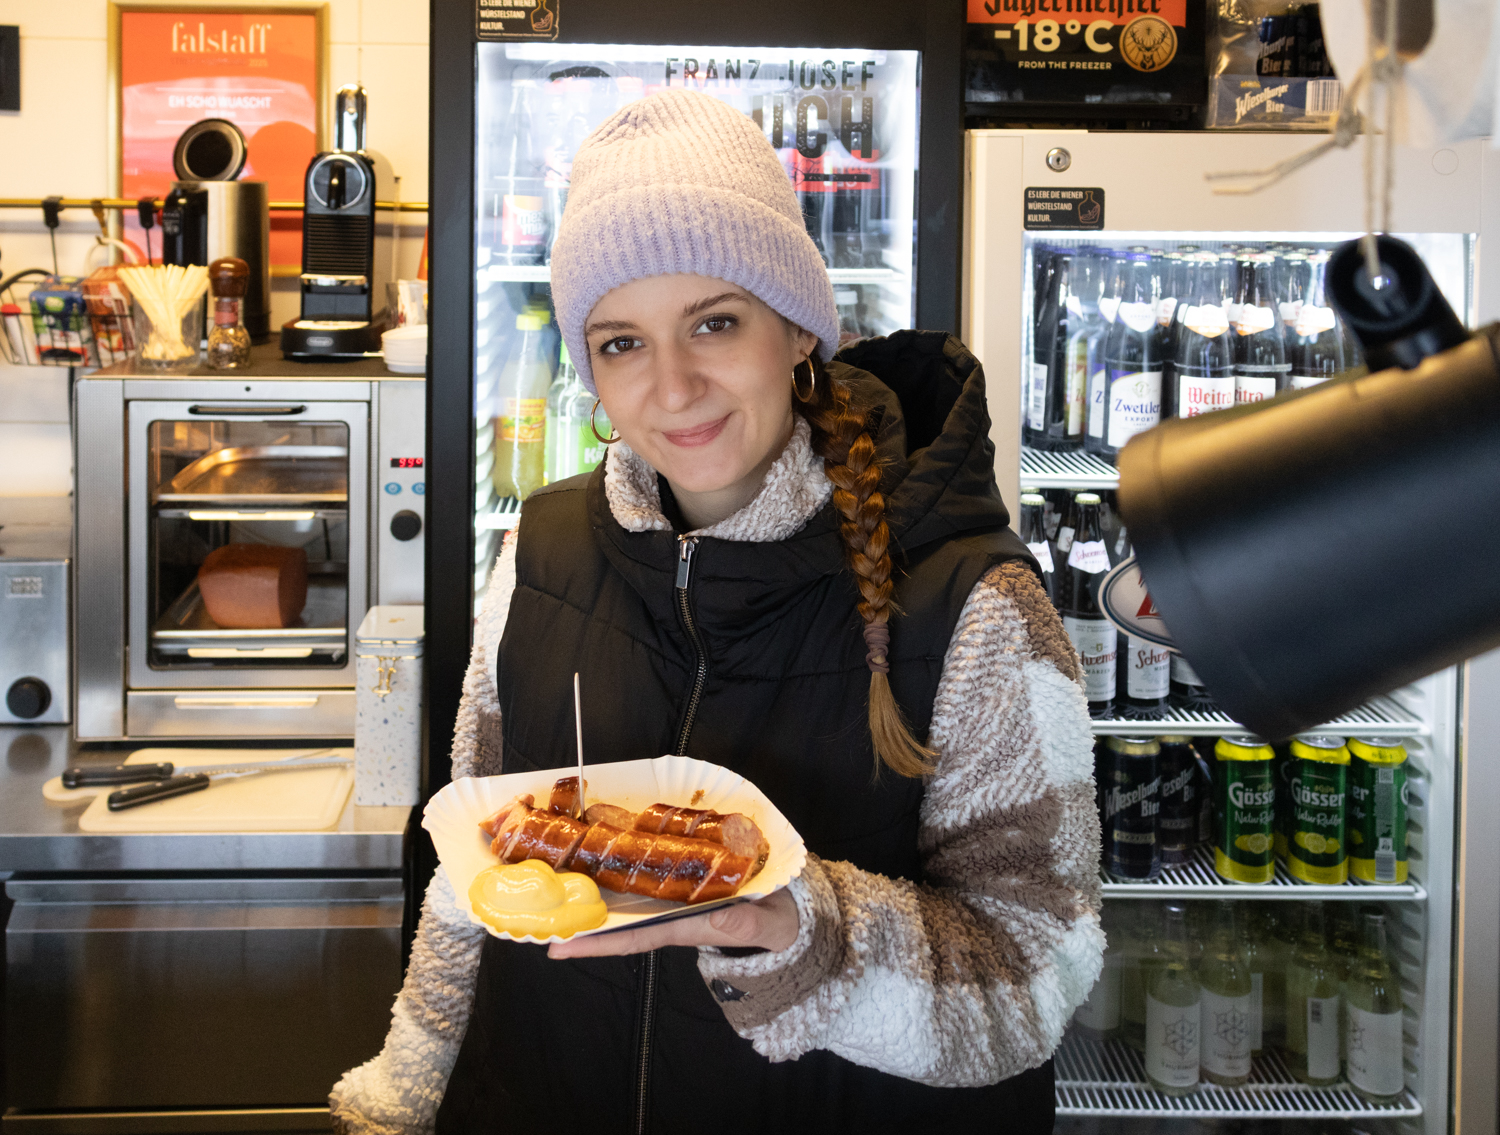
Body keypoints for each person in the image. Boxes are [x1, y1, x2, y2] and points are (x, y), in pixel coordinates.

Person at [331, 89, 1101, 1135]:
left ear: (797, 328)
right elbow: (474, 877)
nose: (673, 387)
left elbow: (1041, 974)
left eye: (715, 323)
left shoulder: (976, 606)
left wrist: (811, 935)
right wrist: (402, 1090)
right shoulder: (539, 553)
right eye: (621, 342)